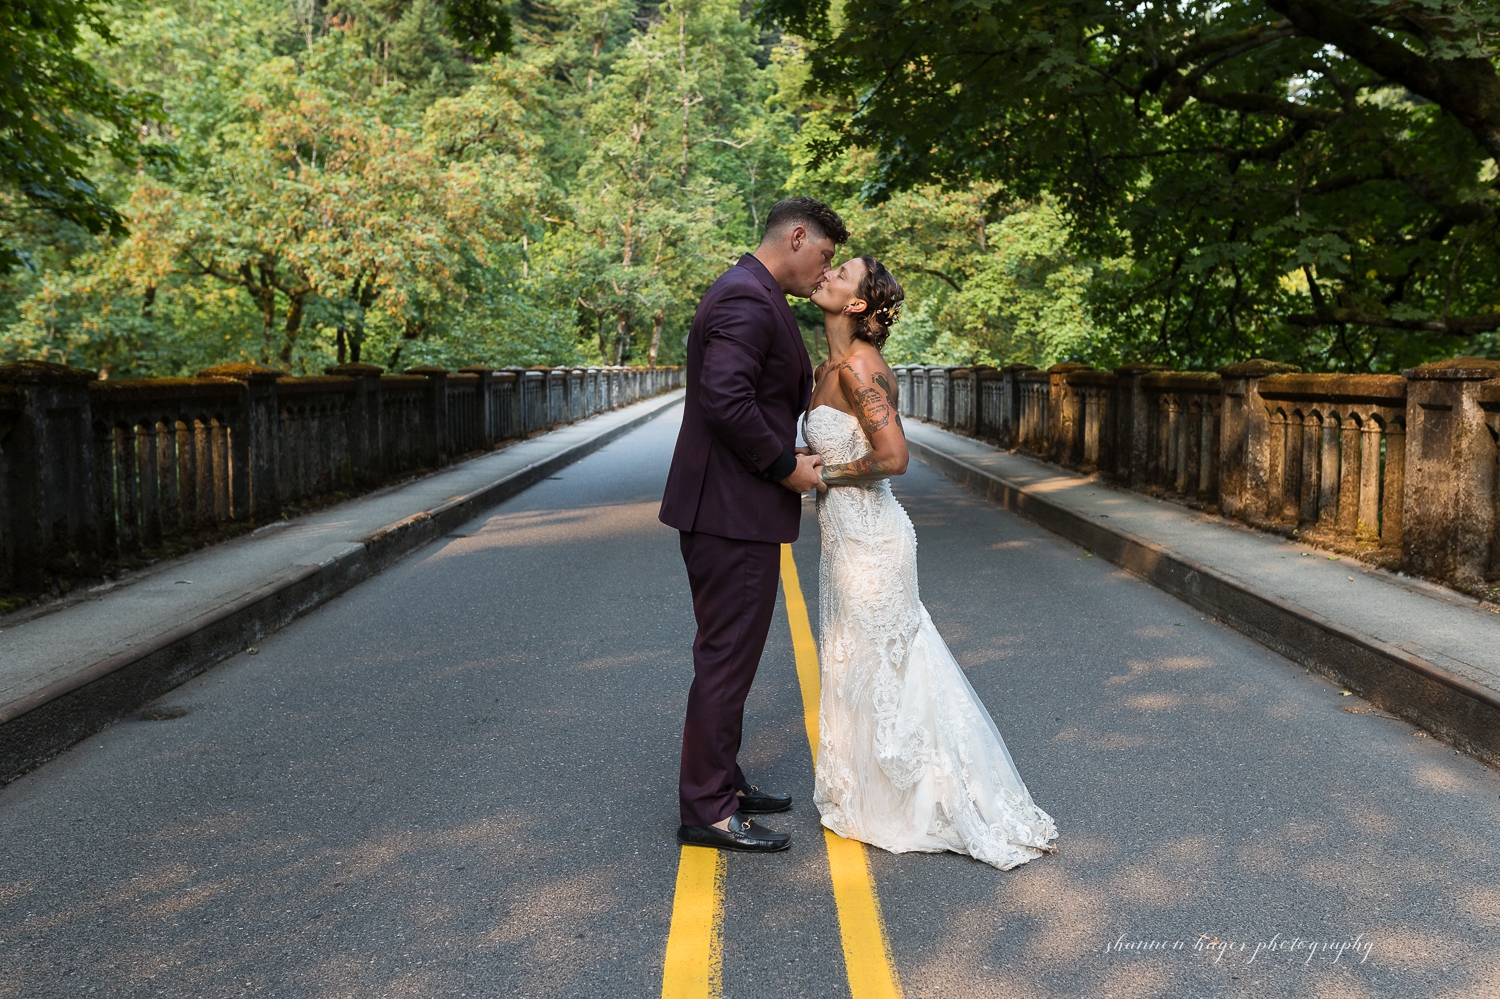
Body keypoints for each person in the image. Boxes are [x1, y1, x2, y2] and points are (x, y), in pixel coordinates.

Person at [802, 254, 1059, 869]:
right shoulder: (827, 368)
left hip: (872, 538)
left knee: (887, 661)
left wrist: (819, 475)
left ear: (859, 305)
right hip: (846, 534)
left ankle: (918, 796)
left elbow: (893, 458)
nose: (828, 275)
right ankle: (865, 791)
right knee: (854, 656)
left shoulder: (859, 368)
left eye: (844, 275)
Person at [659, 197, 848, 853]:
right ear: (797, 237)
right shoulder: (745, 298)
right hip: (729, 512)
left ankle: (722, 781)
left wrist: (783, 452)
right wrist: (783, 467)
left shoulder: (752, 292)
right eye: (824, 254)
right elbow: (725, 399)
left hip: (731, 507)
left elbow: (748, 400)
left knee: (730, 655)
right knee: (726, 658)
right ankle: (708, 809)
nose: (824, 271)